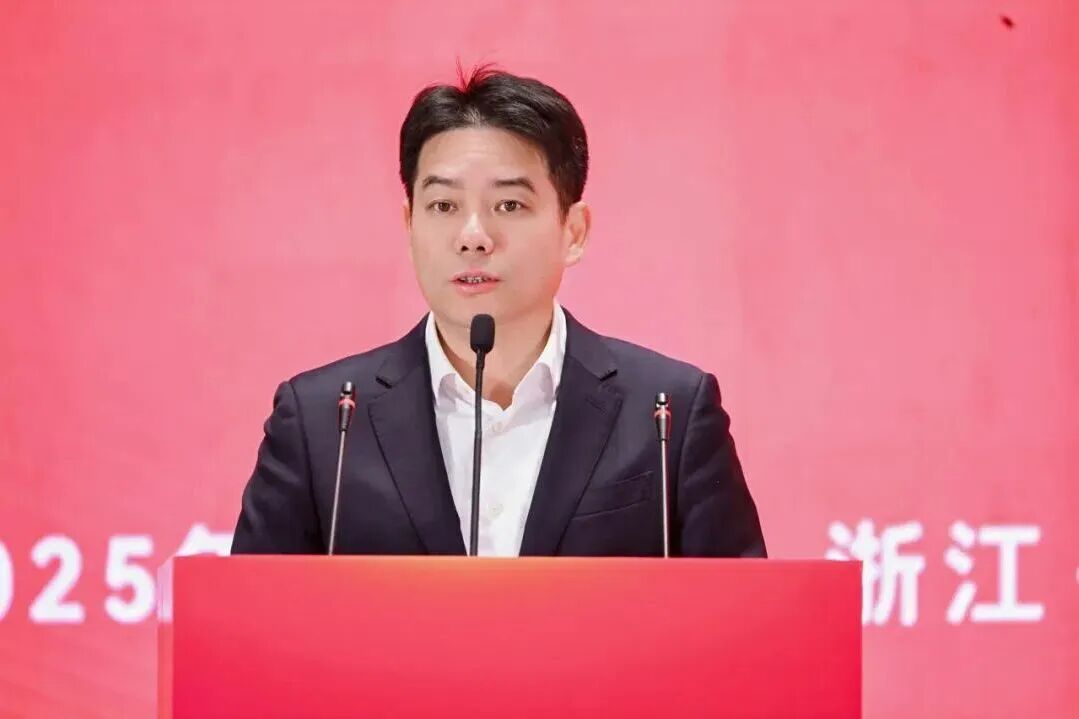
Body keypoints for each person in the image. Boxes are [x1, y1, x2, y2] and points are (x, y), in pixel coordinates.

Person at [231, 67, 765, 558]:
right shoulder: (323, 422)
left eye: (509, 205)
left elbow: (741, 619)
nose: (473, 236)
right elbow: (249, 621)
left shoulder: (668, 413)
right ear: (410, 225)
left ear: (574, 231)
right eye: (443, 206)